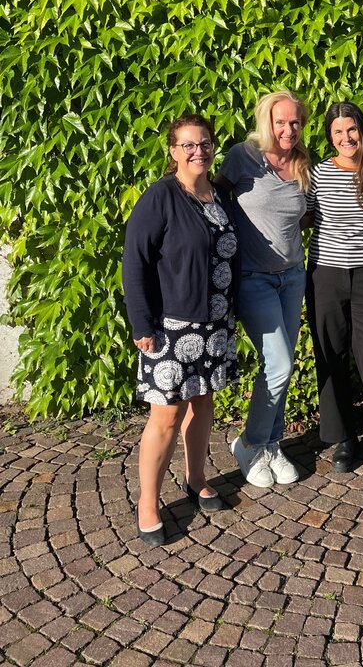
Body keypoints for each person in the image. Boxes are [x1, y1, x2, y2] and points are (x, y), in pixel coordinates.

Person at [123, 114, 238, 547]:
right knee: (166, 414)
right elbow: (134, 261)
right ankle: (148, 503)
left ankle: (196, 479)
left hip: (215, 323)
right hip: (171, 326)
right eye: (188, 145)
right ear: (173, 151)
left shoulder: (220, 195)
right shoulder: (160, 197)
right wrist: (141, 323)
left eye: (204, 143)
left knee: (203, 401)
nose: (198, 151)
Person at [215, 90, 309, 489]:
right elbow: (214, 199)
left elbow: (302, 217)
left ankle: (271, 443)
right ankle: (249, 444)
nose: (288, 129)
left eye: (295, 122)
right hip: (254, 279)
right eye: (280, 121)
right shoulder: (243, 156)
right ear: (266, 121)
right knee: (280, 363)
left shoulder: (303, 163)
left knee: (281, 364)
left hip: (293, 276)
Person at [305, 102, 363, 473]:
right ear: (330, 137)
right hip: (326, 275)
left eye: (351, 129)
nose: (346, 138)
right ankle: (343, 438)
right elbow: (304, 217)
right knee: (331, 355)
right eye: (338, 132)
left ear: (362, 131)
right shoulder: (319, 174)